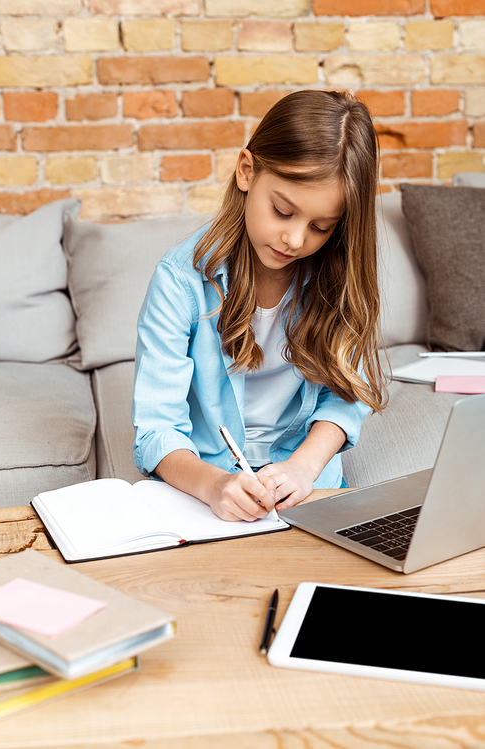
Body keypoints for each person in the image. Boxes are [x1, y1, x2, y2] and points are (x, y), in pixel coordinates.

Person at [132, 89, 386, 523]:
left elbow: (347, 394)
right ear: (246, 171)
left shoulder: (336, 276)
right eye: (282, 211)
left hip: (308, 488)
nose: (296, 240)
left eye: (321, 227)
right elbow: (157, 430)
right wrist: (214, 485)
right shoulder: (179, 282)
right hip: (204, 490)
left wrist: (305, 466)